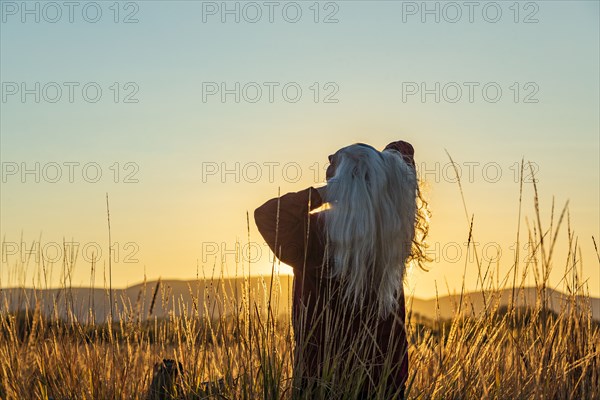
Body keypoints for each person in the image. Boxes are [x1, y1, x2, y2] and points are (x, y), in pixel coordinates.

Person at [254, 141, 429, 399]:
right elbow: (402, 149)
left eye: (335, 162)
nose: (328, 157)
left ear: (342, 182)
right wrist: (371, 175)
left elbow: (268, 214)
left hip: (321, 381)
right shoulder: (391, 236)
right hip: (384, 381)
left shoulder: (314, 236)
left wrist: (328, 191)